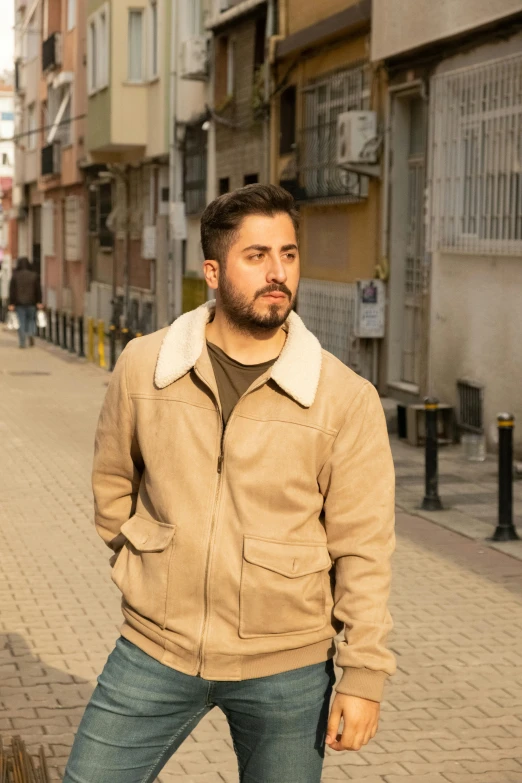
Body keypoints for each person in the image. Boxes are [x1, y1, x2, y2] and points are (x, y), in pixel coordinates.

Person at [63, 184, 396, 783]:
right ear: (213, 271)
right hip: (154, 648)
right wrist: (152, 561)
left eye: (288, 254)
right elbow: (112, 487)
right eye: (257, 255)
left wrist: (363, 675)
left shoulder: (345, 397)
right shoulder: (146, 365)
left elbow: (363, 547)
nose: (278, 273)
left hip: (287, 666)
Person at [8, 257, 43, 349]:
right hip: (32, 303)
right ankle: (31, 333)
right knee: (31, 320)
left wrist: (11, 303)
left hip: (19, 303)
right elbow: (38, 290)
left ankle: (22, 342)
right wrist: (39, 302)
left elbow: (12, 291)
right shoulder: (34, 275)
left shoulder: (15, 276)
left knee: (21, 322)